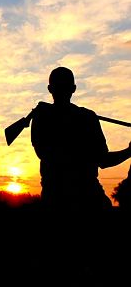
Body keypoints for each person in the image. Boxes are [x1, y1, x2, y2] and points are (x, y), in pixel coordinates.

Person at [30, 66, 131, 212]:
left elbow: (103, 160)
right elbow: (103, 160)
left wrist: (129, 151)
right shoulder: (85, 117)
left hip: (64, 197)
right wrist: (129, 151)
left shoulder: (43, 116)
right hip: (72, 197)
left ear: (50, 88)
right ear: (74, 88)